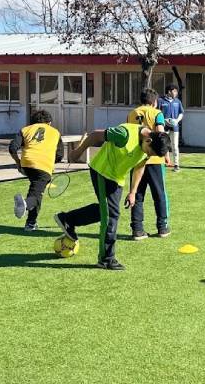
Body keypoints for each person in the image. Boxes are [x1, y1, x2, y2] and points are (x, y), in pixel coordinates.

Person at [54, 124, 170, 270]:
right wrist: (78, 152)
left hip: (117, 179)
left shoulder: (148, 145)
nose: (149, 155)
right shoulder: (123, 134)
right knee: (110, 215)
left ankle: (68, 219)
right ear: (148, 140)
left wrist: (133, 192)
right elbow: (95, 135)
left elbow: (140, 166)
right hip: (102, 172)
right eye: (150, 152)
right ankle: (106, 259)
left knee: (106, 212)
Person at [10, 110, 64, 231]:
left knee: (36, 192)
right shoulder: (55, 132)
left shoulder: (25, 129)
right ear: (49, 123)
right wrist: (50, 161)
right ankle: (25, 204)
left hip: (27, 164)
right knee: (36, 195)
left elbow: (12, 148)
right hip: (44, 167)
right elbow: (60, 156)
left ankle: (31, 223)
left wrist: (18, 163)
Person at [128, 89, 170, 240]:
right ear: (154, 102)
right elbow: (160, 134)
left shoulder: (132, 114)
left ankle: (137, 229)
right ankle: (162, 227)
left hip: (137, 159)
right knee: (159, 194)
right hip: (154, 159)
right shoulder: (156, 113)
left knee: (137, 194)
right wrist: (166, 155)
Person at [158, 84, 184, 172]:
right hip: (163, 127)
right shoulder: (160, 101)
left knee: (175, 146)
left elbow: (181, 113)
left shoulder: (177, 101)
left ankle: (176, 164)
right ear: (169, 91)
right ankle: (163, 163)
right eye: (174, 91)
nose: (176, 93)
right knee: (163, 145)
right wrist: (164, 120)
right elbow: (157, 113)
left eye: (176, 91)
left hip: (175, 127)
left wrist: (177, 120)